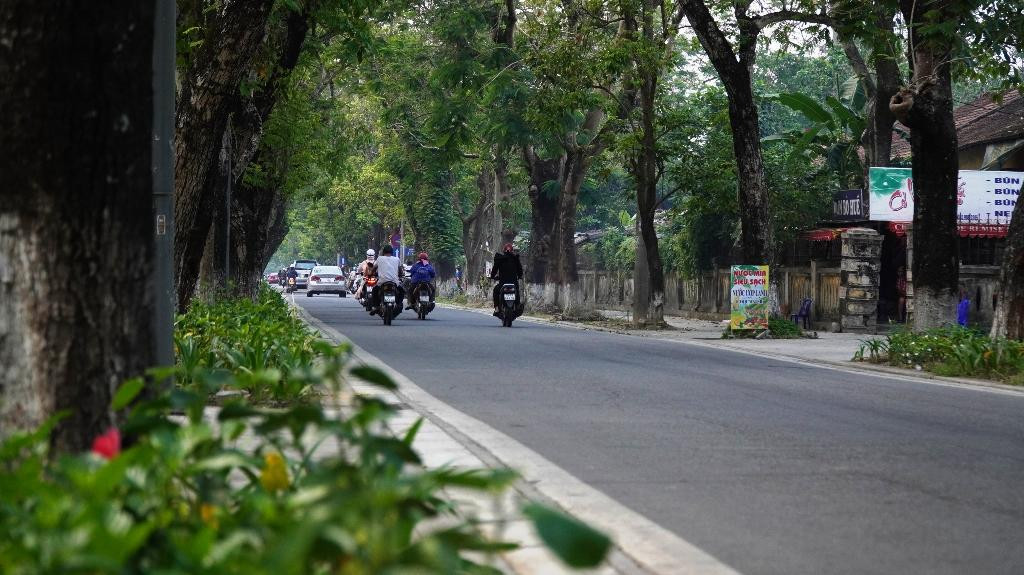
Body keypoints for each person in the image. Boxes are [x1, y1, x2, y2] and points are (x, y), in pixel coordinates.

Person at [490, 243, 523, 315]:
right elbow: (520, 270)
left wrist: (492, 277)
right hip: (514, 284)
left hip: (502, 284)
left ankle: (497, 308)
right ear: (512, 251)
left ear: (504, 251)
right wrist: (520, 276)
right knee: (517, 292)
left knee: (495, 291)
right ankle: (517, 306)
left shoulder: (500, 259)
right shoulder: (515, 259)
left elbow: (494, 270)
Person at [370, 245, 405, 312]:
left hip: (382, 282)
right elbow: (400, 271)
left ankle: (376, 306)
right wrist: (401, 276)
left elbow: (373, 269)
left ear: (383, 252)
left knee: (374, 290)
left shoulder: (379, 258)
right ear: (392, 252)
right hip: (394, 282)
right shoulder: (397, 259)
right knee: (402, 290)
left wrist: (371, 274)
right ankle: (399, 304)